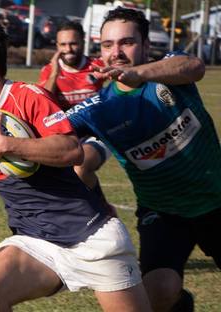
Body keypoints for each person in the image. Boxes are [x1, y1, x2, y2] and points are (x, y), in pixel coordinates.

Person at [0, 18, 152, 312]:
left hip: (91, 238)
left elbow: (72, 150)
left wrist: (8, 144)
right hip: (35, 240)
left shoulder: (28, 97)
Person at [66, 7, 221, 312]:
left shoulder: (170, 70)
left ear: (147, 46)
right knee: (158, 292)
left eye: (127, 42)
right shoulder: (98, 107)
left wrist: (138, 74)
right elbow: (54, 134)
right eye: (108, 45)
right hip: (163, 213)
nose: (116, 52)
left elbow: (194, 66)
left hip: (217, 200)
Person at [37, 20, 113, 212]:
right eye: (63, 44)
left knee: (80, 166)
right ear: (56, 46)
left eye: (73, 43)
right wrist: (55, 72)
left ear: (83, 41)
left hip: (97, 133)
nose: (68, 49)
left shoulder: (96, 66)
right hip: (68, 135)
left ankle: (103, 210)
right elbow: (42, 102)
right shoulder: (49, 71)